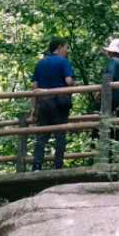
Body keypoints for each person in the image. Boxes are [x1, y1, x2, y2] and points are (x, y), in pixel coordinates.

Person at [29, 38, 76, 170]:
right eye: (66, 47)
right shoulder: (63, 62)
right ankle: (58, 166)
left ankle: (37, 166)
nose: (67, 51)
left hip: (43, 103)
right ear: (59, 47)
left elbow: (34, 86)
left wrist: (33, 109)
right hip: (60, 103)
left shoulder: (41, 63)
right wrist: (73, 83)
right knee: (60, 134)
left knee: (42, 135)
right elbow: (68, 81)